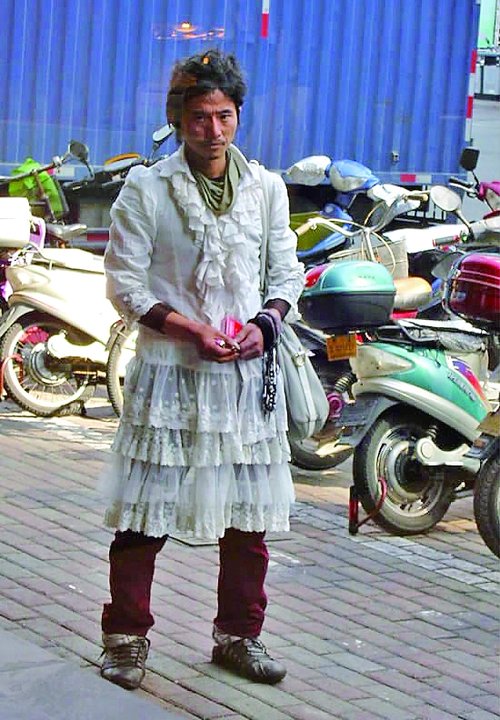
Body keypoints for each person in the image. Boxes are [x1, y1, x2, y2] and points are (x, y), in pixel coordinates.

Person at [99, 48, 304, 691]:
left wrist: (264, 324)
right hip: (169, 373)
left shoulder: (268, 189)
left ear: (238, 114)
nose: (212, 131)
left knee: (248, 519)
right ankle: (125, 639)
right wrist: (189, 328)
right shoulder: (148, 188)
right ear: (177, 119)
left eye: (224, 116)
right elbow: (124, 283)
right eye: (198, 117)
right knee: (144, 514)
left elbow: (286, 273)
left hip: (244, 380)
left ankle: (239, 636)